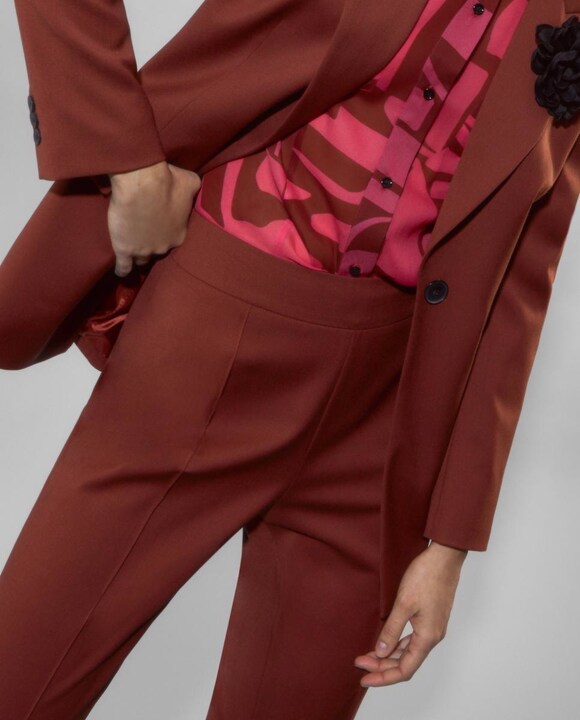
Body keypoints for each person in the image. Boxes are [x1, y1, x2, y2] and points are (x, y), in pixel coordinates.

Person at [0, 0, 578, 718]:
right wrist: (129, 165)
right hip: (216, 331)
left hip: (389, 413)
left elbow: (523, 265)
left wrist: (451, 537)